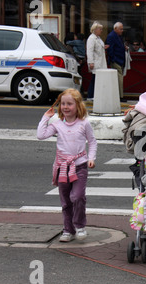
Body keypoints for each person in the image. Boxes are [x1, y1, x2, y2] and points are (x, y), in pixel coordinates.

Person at [37, 88, 98, 242]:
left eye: (69, 104)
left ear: (78, 106)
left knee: (77, 197)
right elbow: (41, 135)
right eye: (63, 103)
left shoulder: (84, 124)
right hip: (62, 167)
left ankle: (79, 226)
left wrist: (91, 157)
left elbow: (92, 141)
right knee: (65, 201)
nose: (65, 107)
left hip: (80, 166)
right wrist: (45, 117)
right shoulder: (57, 124)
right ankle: (68, 230)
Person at [106, 22, 127, 102]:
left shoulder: (118, 36)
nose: (122, 30)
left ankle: (120, 95)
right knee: (119, 79)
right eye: (120, 29)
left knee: (119, 78)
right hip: (116, 60)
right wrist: (113, 59)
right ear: (115, 29)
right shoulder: (112, 36)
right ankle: (120, 96)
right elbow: (110, 49)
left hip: (119, 60)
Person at [86, 21, 107, 100]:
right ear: (95, 29)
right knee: (94, 79)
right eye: (100, 29)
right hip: (96, 62)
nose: (101, 30)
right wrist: (91, 62)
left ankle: (94, 95)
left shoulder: (98, 38)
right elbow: (90, 51)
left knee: (97, 79)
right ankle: (90, 95)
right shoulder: (91, 38)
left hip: (100, 62)